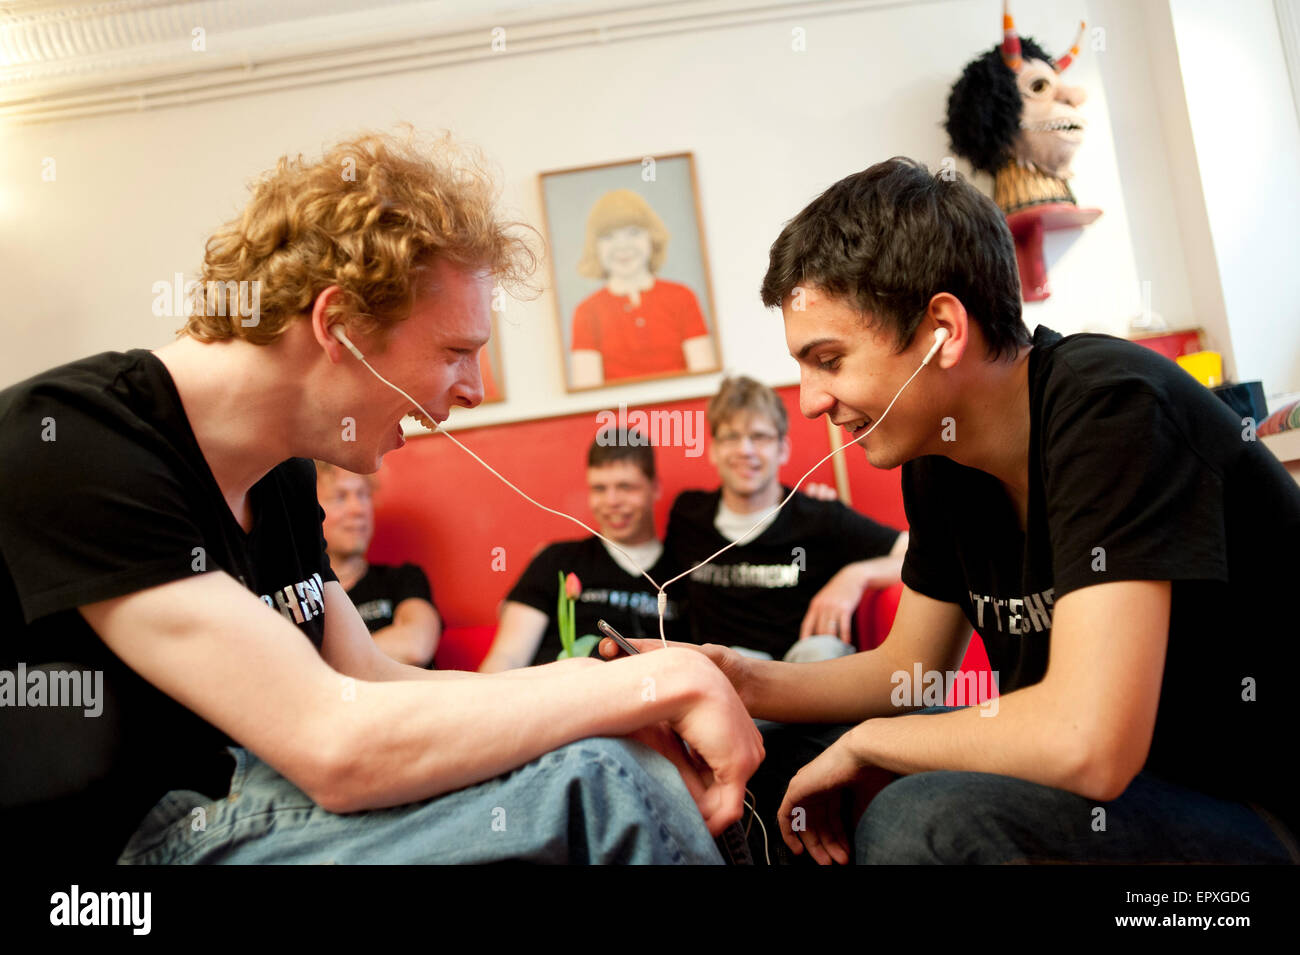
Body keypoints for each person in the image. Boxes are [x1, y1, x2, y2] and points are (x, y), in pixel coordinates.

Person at [0, 131, 763, 865]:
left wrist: (620, 693)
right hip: (120, 849)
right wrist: (657, 681)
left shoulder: (284, 475)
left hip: (243, 798)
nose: (475, 389)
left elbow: (370, 681)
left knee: (608, 747)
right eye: (457, 351)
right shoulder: (74, 438)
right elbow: (335, 741)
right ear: (341, 325)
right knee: (602, 784)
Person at [604, 157, 1299, 866]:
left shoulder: (1113, 405)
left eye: (829, 359)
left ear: (942, 328)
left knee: (921, 818)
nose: (811, 400)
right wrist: (736, 678)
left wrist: (872, 743)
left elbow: (1089, 740)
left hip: (1254, 812)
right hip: (1121, 799)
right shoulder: (938, 457)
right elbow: (909, 672)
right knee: (778, 749)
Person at [665, 375, 907, 663]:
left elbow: (920, 552)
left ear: (782, 449)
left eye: (760, 437)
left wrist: (856, 576)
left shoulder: (818, 516)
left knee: (820, 652)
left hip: (806, 673)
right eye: (732, 437)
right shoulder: (689, 516)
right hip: (727, 680)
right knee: (727, 660)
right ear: (714, 450)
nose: (745, 450)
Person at [481, 430, 687, 670]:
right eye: (599, 489)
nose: (611, 501)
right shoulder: (555, 560)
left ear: (655, 488)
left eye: (626, 487)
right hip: (557, 695)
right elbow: (507, 658)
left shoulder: (685, 570)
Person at [568, 189, 717, 388]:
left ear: (652, 237)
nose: (622, 246)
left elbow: (704, 378)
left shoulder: (682, 297)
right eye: (608, 236)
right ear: (595, 247)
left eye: (633, 232)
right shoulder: (586, 311)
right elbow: (587, 390)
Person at [315, 461, 441, 668]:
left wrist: (320, 666)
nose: (358, 509)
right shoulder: (300, 595)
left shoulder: (403, 578)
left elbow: (415, 646)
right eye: (340, 497)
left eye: (363, 495)